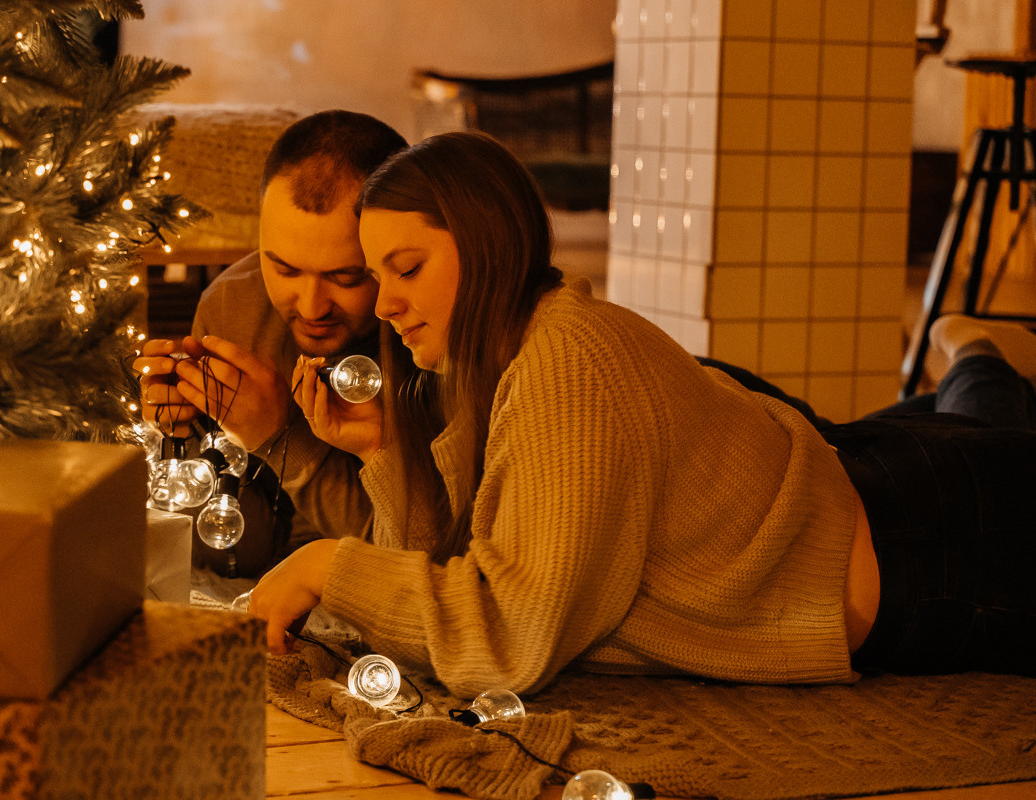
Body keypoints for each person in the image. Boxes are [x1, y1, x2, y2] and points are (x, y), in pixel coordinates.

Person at [247, 130, 1036, 698]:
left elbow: (508, 636)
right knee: (977, 420)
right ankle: (977, 358)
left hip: (939, 542)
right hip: (881, 482)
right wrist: (387, 454)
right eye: (378, 276)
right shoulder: (501, 363)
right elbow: (456, 574)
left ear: (485, 245)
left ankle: (976, 357)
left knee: (991, 437)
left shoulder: (567, 360)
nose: (386, 306)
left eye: (407, 269)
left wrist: (326, 566)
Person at [134, 110, 408, 577]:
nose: (312, 306)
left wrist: (283, 439)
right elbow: (230, 552)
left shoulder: (422, 326)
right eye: (283, 269)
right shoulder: (232, 308)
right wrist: (182, 438)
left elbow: (409, 554)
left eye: (345, 277)